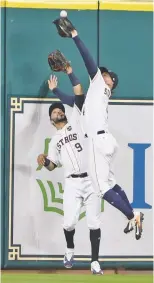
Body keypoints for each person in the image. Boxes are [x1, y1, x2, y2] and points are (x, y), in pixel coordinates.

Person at [52, 18, 144, 240]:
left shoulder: (100, 85)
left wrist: (75, 35)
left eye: (106, 75)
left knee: (102, 189)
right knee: (111, 183)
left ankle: (133, 215)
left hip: (97, 141)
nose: (101, 75)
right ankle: (133, 213)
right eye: (102, 74)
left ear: (111, 82)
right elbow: (75, 100)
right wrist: (58, 88)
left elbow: (89, 61)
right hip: (106, 141)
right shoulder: (96, 95)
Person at [37, 65, 103, 275]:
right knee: (69, 222)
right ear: (51, 119)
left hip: (91, 179)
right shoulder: (54, 140)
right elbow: (52, 166)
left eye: (59, 109)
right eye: (54, 111)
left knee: (94, 222)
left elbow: (78, 92)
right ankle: (69, 250)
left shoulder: (76, 119)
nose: (58, 111)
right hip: (72, 183)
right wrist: (44, 161)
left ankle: (94, 262)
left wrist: (69, 72)